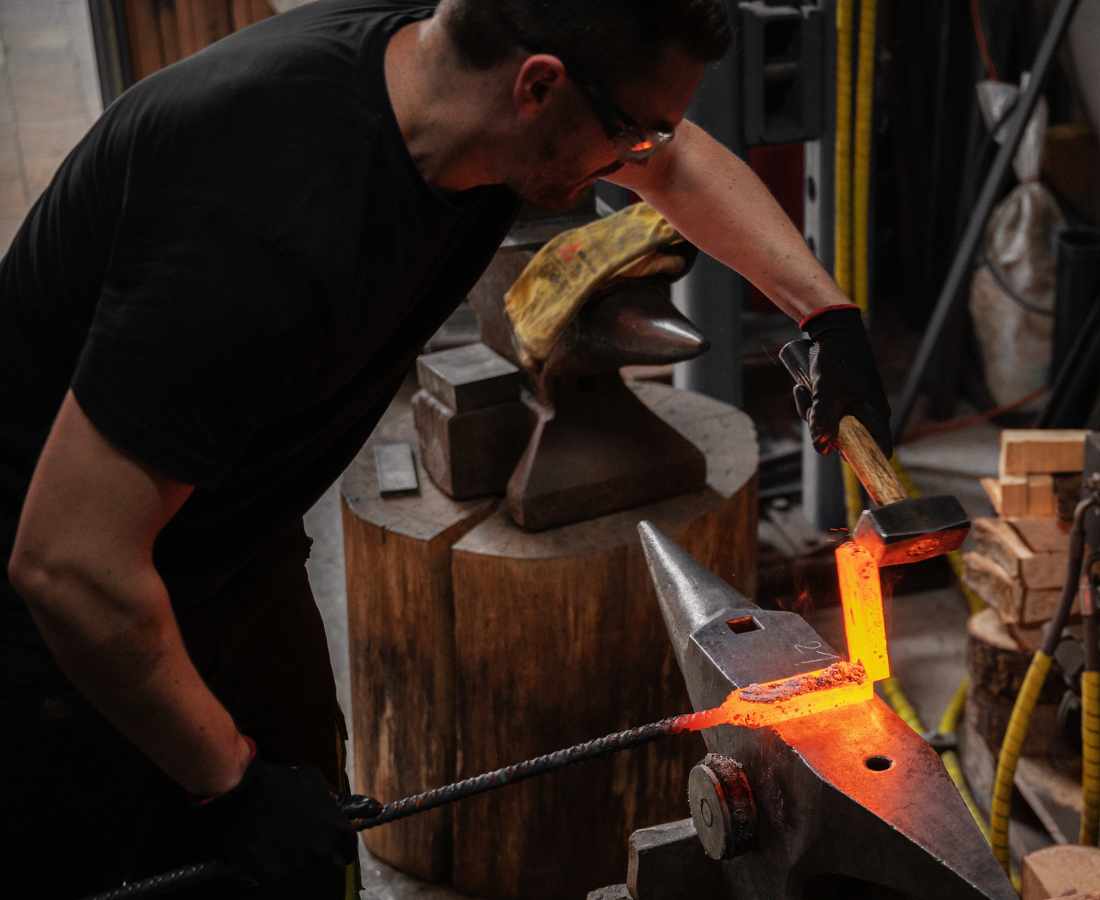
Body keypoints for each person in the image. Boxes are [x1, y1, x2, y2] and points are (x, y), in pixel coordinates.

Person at [0, 1, 891, 897]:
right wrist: (229, 781)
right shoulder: (262, 202)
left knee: (307, 846)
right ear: (539, 87)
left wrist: (824, 313)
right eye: (629, 132)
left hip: (236, 549)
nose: (636, 163)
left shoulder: (467, 93)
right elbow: (70, 563)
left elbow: (679, 159)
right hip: (62, 630)